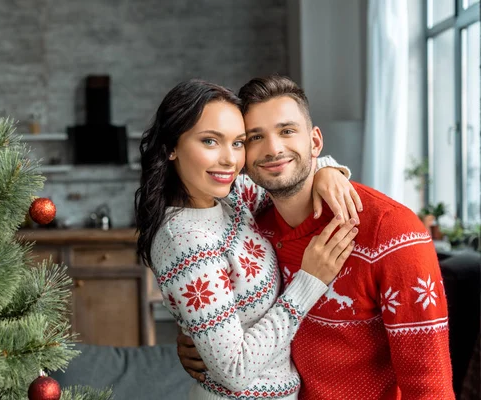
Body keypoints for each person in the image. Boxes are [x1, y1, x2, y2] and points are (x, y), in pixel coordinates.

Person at [178, 75, 455, 399]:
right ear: (243, 155)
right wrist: (198, 337)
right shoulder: (252, 227)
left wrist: (329, 169)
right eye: (255, 137)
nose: (274, 148)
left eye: (287, 131)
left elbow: (429, 388)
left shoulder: (392, 233)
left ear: (315, 141)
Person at [135, 79, 361, 400]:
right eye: (210, 141)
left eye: (238, 142)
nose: (229, 160)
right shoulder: (186, 241)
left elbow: (286, 180)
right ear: (171, 147)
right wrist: (310, 281)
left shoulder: (231, 198)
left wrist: (327, 170)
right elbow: (235, 372)